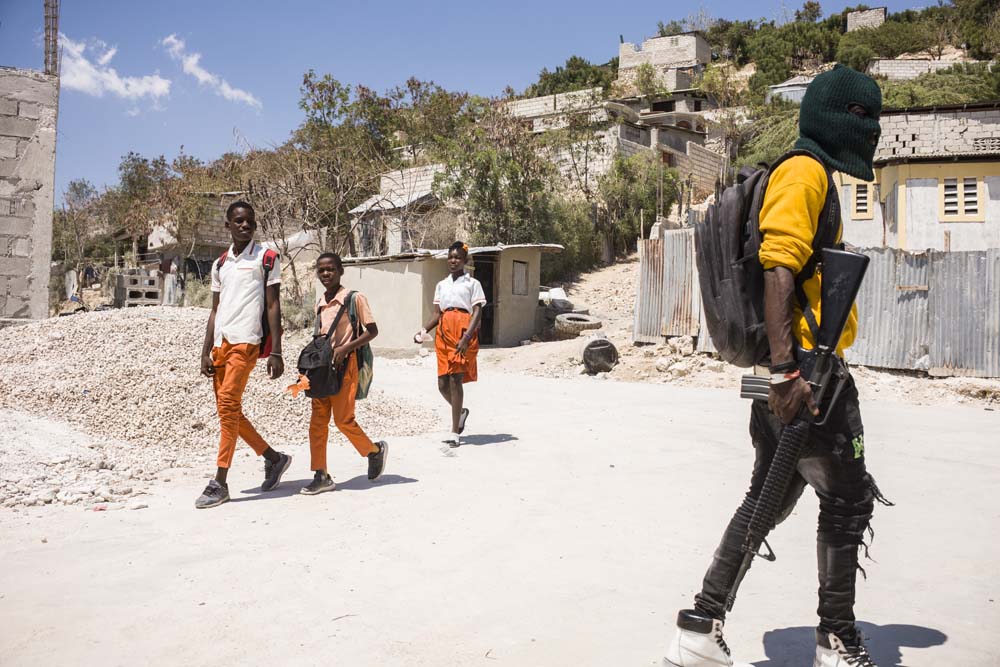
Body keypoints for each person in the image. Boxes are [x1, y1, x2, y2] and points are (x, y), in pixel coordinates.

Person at [665, 66, 888, 667]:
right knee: (847, 498)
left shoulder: (806, 172)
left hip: (786, 368)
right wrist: (790, 372)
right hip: (805, 372)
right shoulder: (805, 171)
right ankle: (836, 638)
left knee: (767, 497)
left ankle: (699, 626)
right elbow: (779, 265)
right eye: (868, 117)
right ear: (843, 118)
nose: (873, 130)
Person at [195, 201, 292, 509]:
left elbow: (274, 305)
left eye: (249, 221)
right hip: (221, 345)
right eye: (238, 221)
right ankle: (273, 459)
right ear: (228, 225)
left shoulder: (266, 257)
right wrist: (205, 351)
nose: (244, 225)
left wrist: (276, 350)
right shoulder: (220, 263)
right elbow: (214, 310)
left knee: (226, 406)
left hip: (246, 342)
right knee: (231, 412)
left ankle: (219, 482)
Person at [303, 252, 387, 495]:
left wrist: (346, 348)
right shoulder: (319, 301)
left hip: (346, 366)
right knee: (317, 422)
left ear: (340, 271)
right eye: (321, 270)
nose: (326, 274)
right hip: (322, 368)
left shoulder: (354, 299)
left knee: (343, 420)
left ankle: (374, 451)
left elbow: (372, 331)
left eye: (330, 269)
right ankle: (321, 474)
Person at [414, 241, 485, 447]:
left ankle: (455, 431)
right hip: (443, 334)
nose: (453, 261)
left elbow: (478, 311)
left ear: (465, 261)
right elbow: (437, 314)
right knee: (442, 384)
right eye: (450, 257)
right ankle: (461, 412)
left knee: (456, 380)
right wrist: (423, 330)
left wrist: (466, 337)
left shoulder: (473, 284)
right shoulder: (441, 285)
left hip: (463, 332)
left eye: (457, 258)